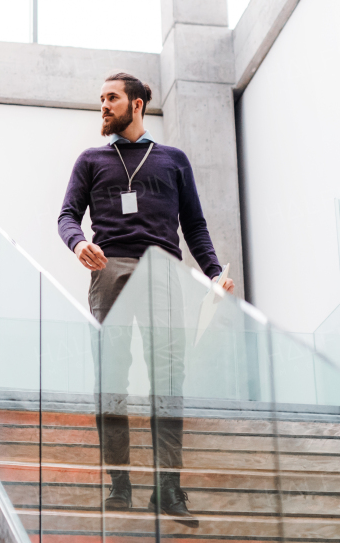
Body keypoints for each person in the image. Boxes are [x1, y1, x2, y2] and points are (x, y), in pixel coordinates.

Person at [57, 72, 234, 527]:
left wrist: (214, 273)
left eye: (111, 98)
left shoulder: (173, 160)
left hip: (163, 272)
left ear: (137, 104)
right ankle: (119, 484)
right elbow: (67, 216)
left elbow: (194, 225)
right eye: (100, 98)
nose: (103, 105)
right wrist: (79, 244)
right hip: (108, 269)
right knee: (112, 380)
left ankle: (168, 488)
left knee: (167, 381)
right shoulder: (91, 159)